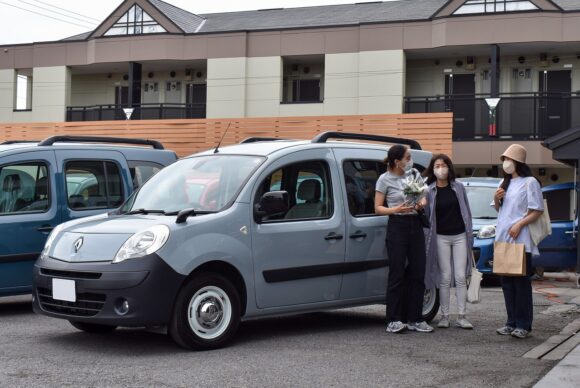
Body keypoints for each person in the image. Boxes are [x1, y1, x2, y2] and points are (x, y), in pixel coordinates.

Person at [375, 144, 433, 333]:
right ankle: (394, 319)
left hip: (415, 224)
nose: (410, 161)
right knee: (397, 273)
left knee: (418, 272)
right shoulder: (384, 179)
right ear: (396, 161)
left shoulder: (414, 174)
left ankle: (416, 318)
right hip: (397, 225)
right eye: (407, 158)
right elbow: (378, 208)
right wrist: (396, 209)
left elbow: (425, 196)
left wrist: (420, 204)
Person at [493, 144, 544, 339]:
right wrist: (496, 198)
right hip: (504, 238)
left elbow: (537, 210)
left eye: (509, 159)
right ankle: (511, 322)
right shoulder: (503, 183)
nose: (506, 163)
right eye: (504, 159)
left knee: (521, 283)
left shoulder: (530, 182)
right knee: (506, 282)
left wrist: (520, 224)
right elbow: (500, 210)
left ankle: (524, 324)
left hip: (520, 239)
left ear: (518, 162)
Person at [423, 154, 474, 329]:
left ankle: (462, 316)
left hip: (460, 235)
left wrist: (470, 235)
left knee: (460, 276)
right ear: (432, 169)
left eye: (444, 165)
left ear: (449, 167)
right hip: (440, 237)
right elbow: (426, 215)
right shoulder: (428, 190)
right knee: (444, 277)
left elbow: (467, 211)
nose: (441, 169)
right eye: (437, 166)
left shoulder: (458, 187)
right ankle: (444, 316)